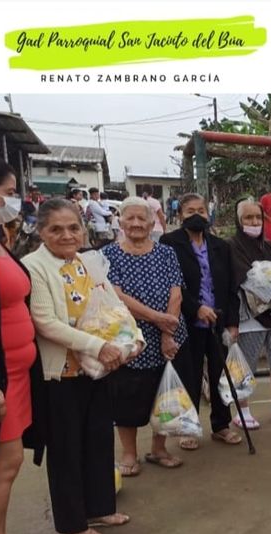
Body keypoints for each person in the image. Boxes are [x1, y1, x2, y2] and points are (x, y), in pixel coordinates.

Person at [22, 198, 133, 534]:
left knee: (98, 439)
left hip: (96, 371)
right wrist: (99, 346)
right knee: (66, 449)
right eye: (56, 229)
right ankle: (70, 525)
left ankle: (100, 507)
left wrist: (132, 340)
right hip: (62, 374)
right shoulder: (34, 266)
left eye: (73, 228)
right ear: (41, 232)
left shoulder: (87, 261)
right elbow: (45, 323)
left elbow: (114, 306)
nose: (67, 235)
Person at [0, 158, 49, 534]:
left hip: (15, 369)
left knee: (6, 465)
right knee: (2, 464)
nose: (14, 200)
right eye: (9, 192)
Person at [102, 197, 187, 475]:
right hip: (129, 339)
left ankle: (159, 449)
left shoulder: (166, 253)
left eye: (142, 218)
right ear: (121, 222)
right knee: (126, 397)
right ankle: (129, 454)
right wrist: (158, 318)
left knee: (163, 394)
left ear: (152, 224)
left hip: (167, 337)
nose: (136, 223)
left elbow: (176, 293)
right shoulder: (108, 254)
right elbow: (116, 296)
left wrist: (167, 333)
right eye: (131, 218)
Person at [162, 193, 243, 449]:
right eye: (190, 211)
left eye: (201, 210)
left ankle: (221, 425)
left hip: (217, 321)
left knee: (220, 375)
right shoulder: (170, 243)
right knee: (190, 375)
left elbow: (231, 287)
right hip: (187, 323)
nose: (196, 215)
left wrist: (232, 322)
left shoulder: (221, 246)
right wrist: (195, 308)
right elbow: (172, 285)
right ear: (180, 215)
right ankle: (188, 426)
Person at [227, 197, 271, 428]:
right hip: (250, 317)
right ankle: (243, 410)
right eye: (248, 217)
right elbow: (245, 276)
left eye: (258, 217)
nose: (254, 222)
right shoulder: (232, 247)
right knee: (246, 366)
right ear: (239, 220)